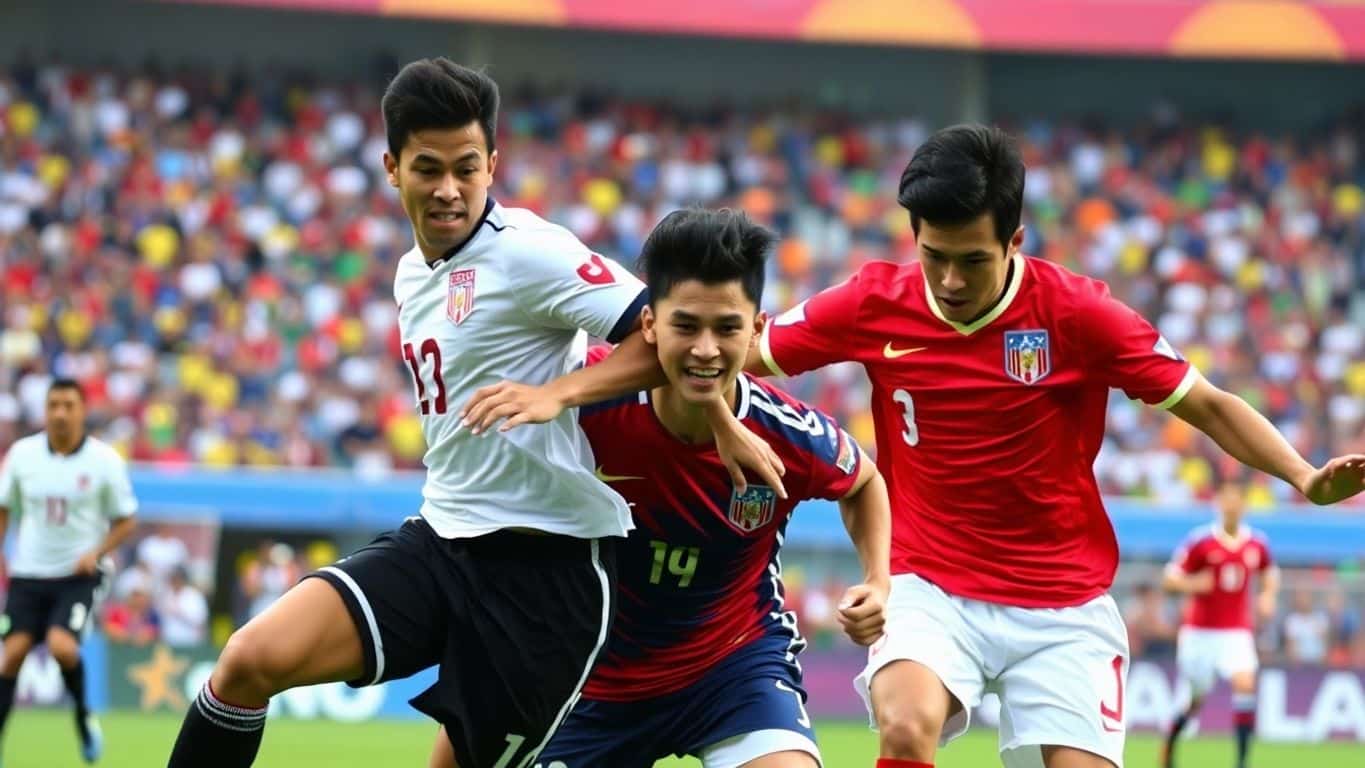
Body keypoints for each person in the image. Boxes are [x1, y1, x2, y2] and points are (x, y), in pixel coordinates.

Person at [462, 124, 1365, 768]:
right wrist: (571, 391)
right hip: (930, 582)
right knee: (902, 728)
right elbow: (709, 354)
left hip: (1063, 600)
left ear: (1013, 239)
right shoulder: (873, 301)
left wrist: (1297, 472)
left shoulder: (1079, 315)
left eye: (970, 259)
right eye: (932, 253)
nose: (947, 276)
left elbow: (1203, 402)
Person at [165, 58, 778, 768]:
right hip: (443, 541)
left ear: (492, 163)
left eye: (466, 167)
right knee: (248, 660)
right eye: (428, 168)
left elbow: (667, 332)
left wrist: (562, 395)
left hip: (548, 574)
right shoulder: (409, 272)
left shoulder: (529, 252)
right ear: (392, 168)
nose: (448, 189)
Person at [435, 208, 890, 768]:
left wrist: (878, 579)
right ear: (647, 324)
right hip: (590, 684)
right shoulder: (579, 407)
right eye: (686, 327)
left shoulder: (789, 435)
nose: (705, 349)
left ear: (756, 329)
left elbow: (864, 481)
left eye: (727, 329)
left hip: (733, 669)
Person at [0, 379, 139, 765]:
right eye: (53, 405)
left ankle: (82, 717)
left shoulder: (104, 461)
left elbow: (127, 522)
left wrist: (96, 552)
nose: (60, 412)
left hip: (78, 574)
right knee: (10, 657)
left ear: (82, 410)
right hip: (28, 574)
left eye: (68, 405)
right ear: (45, 410)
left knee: (62, 647)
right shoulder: (22, 456)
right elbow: (4, 507)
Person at [1160, 481, 1278, 768]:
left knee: (1245, 683)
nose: (1231, 506)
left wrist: (1267, 596)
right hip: (1200, 634)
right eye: (1226, 501)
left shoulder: (1257, 543)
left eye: (1237, 501)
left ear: (1244, 506)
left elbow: (1269, 572)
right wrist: (1193, 583)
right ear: (1218, 504)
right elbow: (1169, 580)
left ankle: (1241, 762)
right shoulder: (1200, 541)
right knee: (1195, 701)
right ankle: (1169, 745)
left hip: (1236, 632)